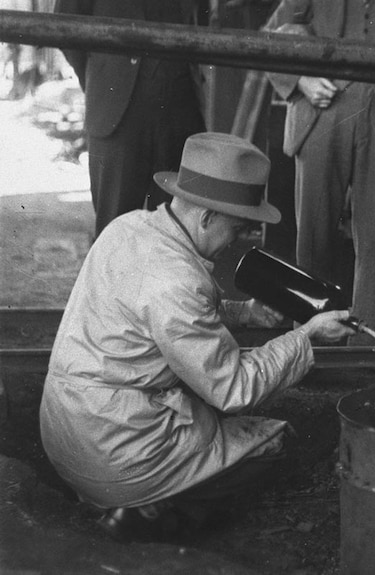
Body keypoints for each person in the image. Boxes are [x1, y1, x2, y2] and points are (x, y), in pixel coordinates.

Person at [39, 132, 355, 542]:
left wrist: (248, 314)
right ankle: (151, 512)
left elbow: (160, 314)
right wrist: (307, 338)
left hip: (65, 430)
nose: (237, 241)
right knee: (273, 444)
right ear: (207, 218)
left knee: (205, 412)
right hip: (115, 448)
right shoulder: (178, 279)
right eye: (238, 228)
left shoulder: (128, 227)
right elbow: (234, 388)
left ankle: (141, 498)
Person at [263, 0, 375, 344]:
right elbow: (269, 37)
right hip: (321, 115)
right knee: (314, 235)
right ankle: (308, 338)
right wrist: (300, 80)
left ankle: (368, 343)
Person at [53, 0, 208, 237]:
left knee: (177, 235)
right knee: (115, 233)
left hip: (180, 110)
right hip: (117, 114)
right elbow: (65, 26)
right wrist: (104, 76)